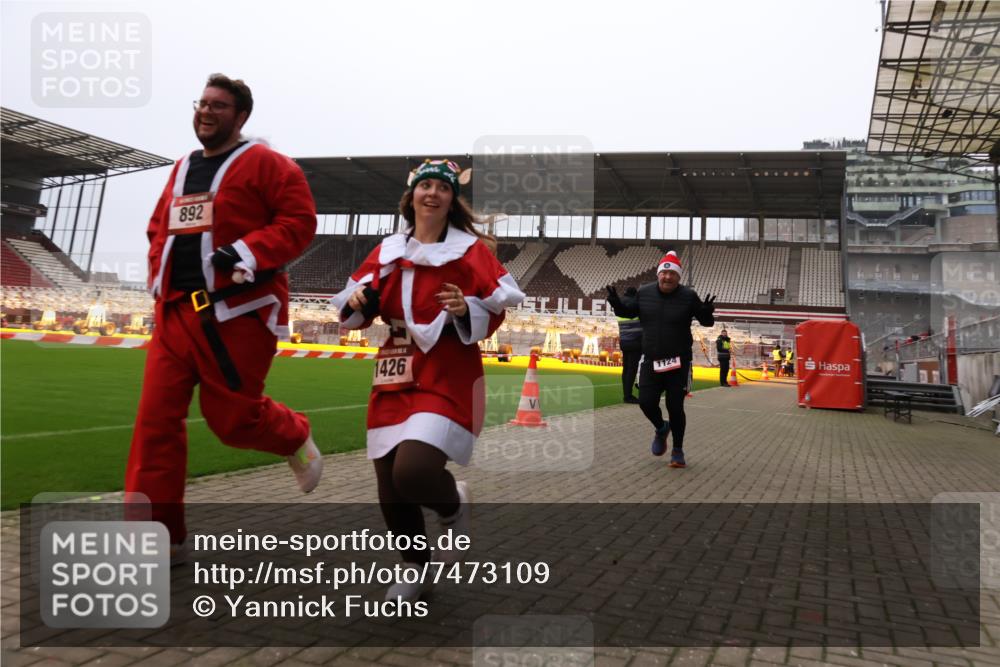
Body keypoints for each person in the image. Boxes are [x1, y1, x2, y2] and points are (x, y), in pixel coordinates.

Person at [125, 74, 322, 552]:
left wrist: (247, 252)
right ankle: (160, 538)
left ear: (241, 116)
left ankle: (294, 433)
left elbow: (299, 222)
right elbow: (159, 229)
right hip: (175, 314)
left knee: (233, 422)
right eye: (201, 103)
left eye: (218, 105)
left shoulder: (269, 165)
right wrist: (157, 276)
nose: (206, 112)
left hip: (237, 314)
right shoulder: (181, 168)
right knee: (154, 424)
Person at [331, 159, 524, 601]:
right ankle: (414, 569)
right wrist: (362, 300)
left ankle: (452, 504)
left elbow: (497, 306)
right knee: (389, 484)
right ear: (411, 196)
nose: (432, 193)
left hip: (447, 372)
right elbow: (353, 309)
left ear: (452, 199)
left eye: (441, 187)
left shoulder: (470, 251)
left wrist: (465, 308)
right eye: (425, 186)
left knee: (414, 471)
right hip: (395, 370)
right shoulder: (387, 250)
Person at [607, 250, 715, 469]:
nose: (667, 277)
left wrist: (706, 312)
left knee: (675, 406)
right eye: (664, 273)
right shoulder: (644, 292)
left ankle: (677, 450)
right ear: (658, 274)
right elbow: (629, 312)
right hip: (651, 360)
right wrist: (617, 303)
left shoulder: (688, 296)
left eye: (672, 274)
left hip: (678, 362)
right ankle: (660, 427)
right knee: (646, 402)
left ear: (678, 277)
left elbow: (706, 322)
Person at [616, 286, 642, 403]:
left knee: (626, 369)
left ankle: (626, 394)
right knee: (632, 369)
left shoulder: (620, 303)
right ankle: (628, 396)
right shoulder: (635, 303)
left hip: (624, 340)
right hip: (636, 341)